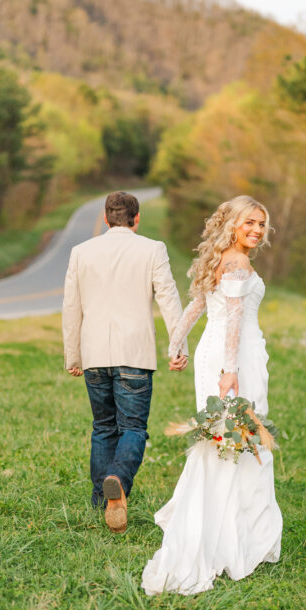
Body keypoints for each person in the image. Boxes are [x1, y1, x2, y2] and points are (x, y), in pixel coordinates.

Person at [141, 195, 282, 595]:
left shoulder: (220, 258)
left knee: (222, 438)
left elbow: (196, 306)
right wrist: (231, 371)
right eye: (249, 223)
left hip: (214, 352)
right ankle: (234, 534)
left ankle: (219, 519)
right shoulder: (236, 263)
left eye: (261, 224)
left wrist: (175, 344)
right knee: (239, 436)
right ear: (233, 223)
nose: (256, 230)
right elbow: (234, 318)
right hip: (231, 358)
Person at [62, 191, 187, 533]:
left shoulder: (81, 252)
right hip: (135, 354)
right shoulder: (152, 249)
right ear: (137, 218)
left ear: (105, 219)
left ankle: (101, 503)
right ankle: (117, 478)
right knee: (133, 428)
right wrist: (178, 346)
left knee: (103, 427)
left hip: (94, 354)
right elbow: (169, 299)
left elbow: (71, 307)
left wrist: (73, 355)